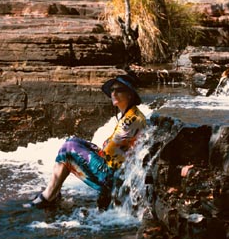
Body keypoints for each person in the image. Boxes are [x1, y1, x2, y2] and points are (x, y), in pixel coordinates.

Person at [23, 73, 146, 210]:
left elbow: (108, 149)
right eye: (112, 90)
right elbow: (110, 148)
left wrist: (96, 150)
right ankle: (53, 192)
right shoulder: (128, 114)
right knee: (73, 141)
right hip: (116, 168)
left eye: (119, 90)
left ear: (130, 94)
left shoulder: (131, 120)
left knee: (68, 148)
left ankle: (48, 196)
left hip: (113, 176)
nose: (114, 93)